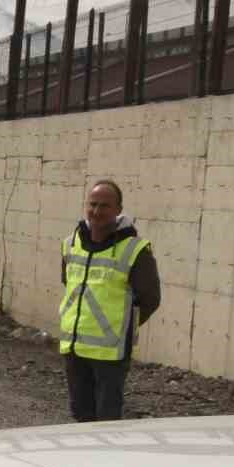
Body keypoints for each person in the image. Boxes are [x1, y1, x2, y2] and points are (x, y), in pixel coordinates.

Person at [57, 179, 162, 422]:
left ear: (118, 210)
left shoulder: (135, 250)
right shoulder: (70, 244)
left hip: (111, 353)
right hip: (74, 348)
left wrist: (123, 327)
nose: (97, 211)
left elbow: (150, 299)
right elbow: (68, 284)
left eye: (104, 205)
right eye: (92, 204)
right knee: (81, 415)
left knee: (107, 421)